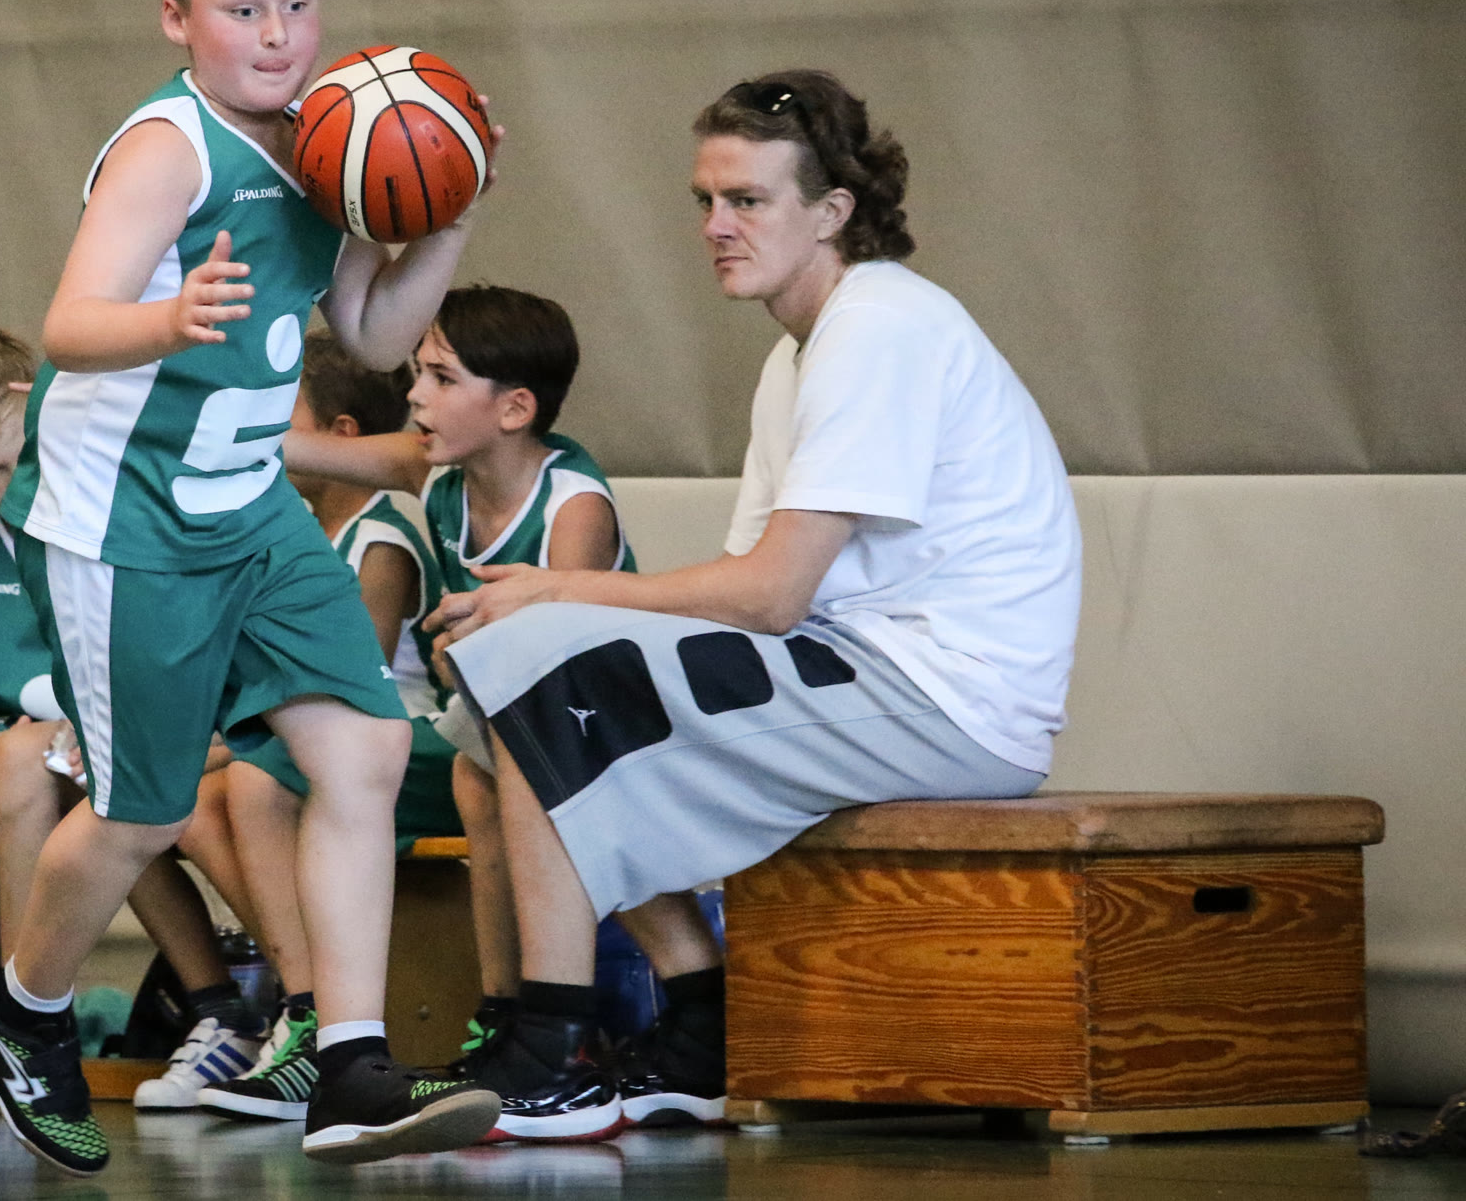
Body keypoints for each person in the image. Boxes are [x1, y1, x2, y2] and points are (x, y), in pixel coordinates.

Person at [0, 0, 502, 1174]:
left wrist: (450, 216)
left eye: (295, 4)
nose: (276, 33)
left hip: (247, 511)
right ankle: (19, 1006)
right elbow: (70, 323)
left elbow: (370, 333)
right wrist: (170, 316)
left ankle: (350, 1068)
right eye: (243, 10)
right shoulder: (169, 150)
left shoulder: (328, 141)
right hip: (123, 525)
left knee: (363, 745)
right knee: (140, 813)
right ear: (176, 20)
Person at [429, 70, 1082, 1140]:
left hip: (949, 700)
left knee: (544, 667)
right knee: (494, 725)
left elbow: (770, 595)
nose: (716, 227)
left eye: (747, 200)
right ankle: (697, 1018)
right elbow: (743, 593)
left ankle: (552, 1055)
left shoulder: (880, 328)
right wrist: (560, 618)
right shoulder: (797, 355)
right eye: (705, 201)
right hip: (857, 665)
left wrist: (564, 590)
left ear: (832, 211)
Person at [265, 289, 714, 1134]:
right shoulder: (437, 472)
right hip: (522, 724)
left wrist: (474, 642)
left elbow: (562, 650)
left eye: (440, 377)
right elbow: (301, 445)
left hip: (624, 729)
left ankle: (625, 1016)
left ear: (514, 408)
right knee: (479, 778)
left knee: (530, 782)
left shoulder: (572, 503)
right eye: (416, 373)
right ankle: (507, 1015)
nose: (414, 394)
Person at [199, 330, 464, 1121]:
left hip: (409, 741)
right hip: (332, 750)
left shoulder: (382, 540)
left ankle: (317, 1014)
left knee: (255, 779)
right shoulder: (306, 534)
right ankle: (271, 1007)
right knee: (181, 805)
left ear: (340, 436)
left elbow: (344, 696)